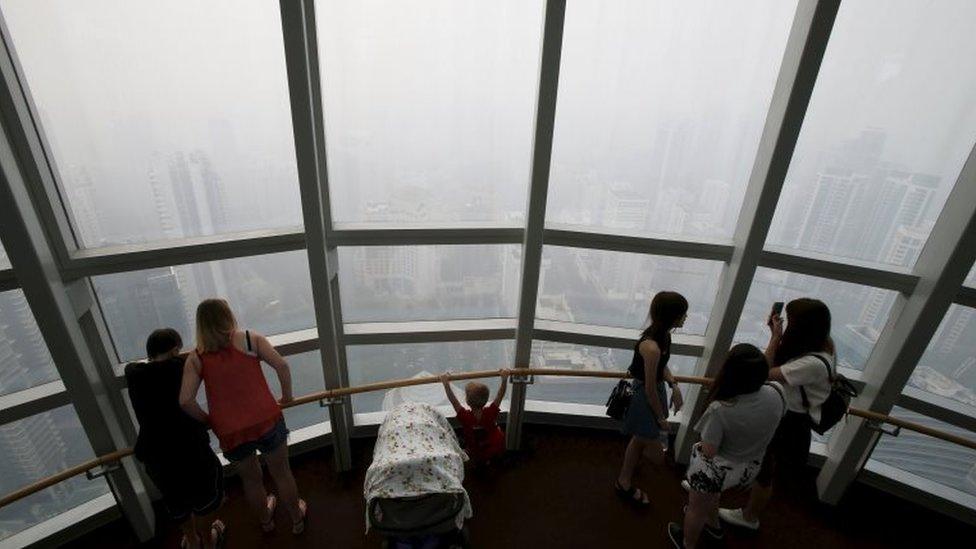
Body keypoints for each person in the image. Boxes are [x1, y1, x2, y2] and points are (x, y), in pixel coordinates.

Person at [179, 299, 307, 535]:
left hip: (230, 430)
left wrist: (209, 419)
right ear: (228, 315)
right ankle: (297, 520)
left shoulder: (196, 357)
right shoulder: (250, 339)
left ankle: (266, 521)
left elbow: (185, 400)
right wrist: (287, 397)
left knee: (251, 480)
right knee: (282, 473)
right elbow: (282, 366)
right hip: (266, 418)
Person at [719, 298, 835, 530]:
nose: (787, 324)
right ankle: (718, 485)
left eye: (791, 321)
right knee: (758, 459)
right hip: (785, 414)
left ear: (801, 327)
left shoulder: (812, 363)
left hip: (788, 421)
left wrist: (775, 338)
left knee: (765, 468)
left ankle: (749, 517)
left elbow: (762, 372)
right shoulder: (823, 345)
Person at [666, 344, 786, 548]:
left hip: (717, 470)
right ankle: (713, 526)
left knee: (696, 509)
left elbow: (709, 452)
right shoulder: (777, 392)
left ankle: (687, 543)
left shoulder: (720, 410)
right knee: (712, 495)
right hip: (749, 467)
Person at [126, 329, 226, 549]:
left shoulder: (133, 374)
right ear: (174, 351)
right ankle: (208, 541)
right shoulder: (179, 368)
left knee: (176, 501)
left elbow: (136, 365)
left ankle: (191, 541)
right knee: (204, 499)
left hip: (155, 453)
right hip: (190, 448)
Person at [615, 291, 688, 506]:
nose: (686, 317)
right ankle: (623, 480)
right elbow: (648, 388)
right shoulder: (652, 346)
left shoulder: (662, 335)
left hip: (653, 392)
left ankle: (624, 481)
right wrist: (660, 419)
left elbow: (661, 367)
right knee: (657, 455)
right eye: (683, 314)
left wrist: (673, 384)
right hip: (644, 396)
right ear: (672, 316)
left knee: (639, 439)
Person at [441, 370, 510, 465]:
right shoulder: (490, 412)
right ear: (486, 399)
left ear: (467, 401)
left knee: (477, 458)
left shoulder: (464, 416)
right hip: (494, 445)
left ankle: (481, 466)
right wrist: (504, 379)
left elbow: (453, 400)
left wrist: (446, 383)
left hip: (475, 448)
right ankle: (492, 463)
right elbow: (500, 395)